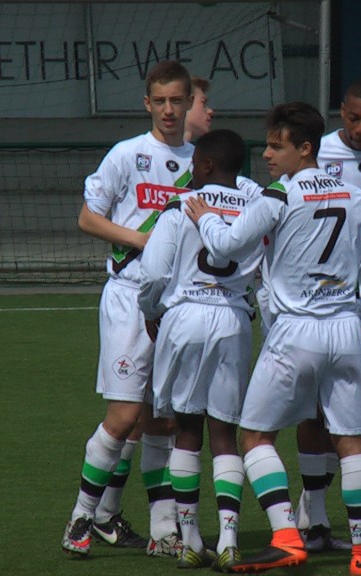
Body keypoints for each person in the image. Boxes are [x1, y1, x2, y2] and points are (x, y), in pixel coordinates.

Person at [185, 101, 361, 574]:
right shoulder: (357, 196)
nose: (266, 154)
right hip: (345, 329)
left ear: (304, 149)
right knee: (351, 441)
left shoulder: (279, 195)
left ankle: (286, 537)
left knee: (254, 435)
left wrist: (205, 217)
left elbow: (226, 245)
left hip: (295, 331)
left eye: (275, 146)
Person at [61, 59, 193, 559]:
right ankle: (80, 518)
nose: (168, 109)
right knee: (123, 415)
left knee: (162, 420)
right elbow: (87, 218)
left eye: (176, 100)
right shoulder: (126, 155)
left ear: (188, 102)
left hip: (176, 305)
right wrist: (141, 239)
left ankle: (163, 531)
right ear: (147, 104)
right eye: (159, 101)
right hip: (129, 297)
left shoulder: (199, 162)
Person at [137, 129, 265, 571]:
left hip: (186, 317)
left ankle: (191, 539)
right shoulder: (258, 209)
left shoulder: (181, 205)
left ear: (207, 164)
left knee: (187, 428)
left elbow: (154, 273)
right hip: (233, 319)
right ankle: (229, 539)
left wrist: (150, 310)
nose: (190, 169)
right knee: (225, 432)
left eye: (195, 163)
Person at [293, 77, 361, 553]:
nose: (360, 128)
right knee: (313, 410)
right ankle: (313, 516)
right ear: (341, 111)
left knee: (353, 411)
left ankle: (322, 518)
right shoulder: (318, 153)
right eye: (353, 118)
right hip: (316, 303)